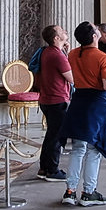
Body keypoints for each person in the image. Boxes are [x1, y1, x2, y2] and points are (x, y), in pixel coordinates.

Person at [57, 22, 106, 206]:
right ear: (94, 36)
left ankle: (70, 191)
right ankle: (88, 192)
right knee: (94, 149)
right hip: (96, 103)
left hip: (79, 101)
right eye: (95, 29)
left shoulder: (73, 54)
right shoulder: (103, 57)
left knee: (78, 148)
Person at [34, 24, 72, 183]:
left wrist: (65, 52)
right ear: (56, 38)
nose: (65, 31)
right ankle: (52, 170)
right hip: (57, 100)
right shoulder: (57, 55)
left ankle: (44, 168)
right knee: (56, 136)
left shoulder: (48, 52)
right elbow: (72, 78)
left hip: (47, 99)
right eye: (61, 30)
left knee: (51, 135)